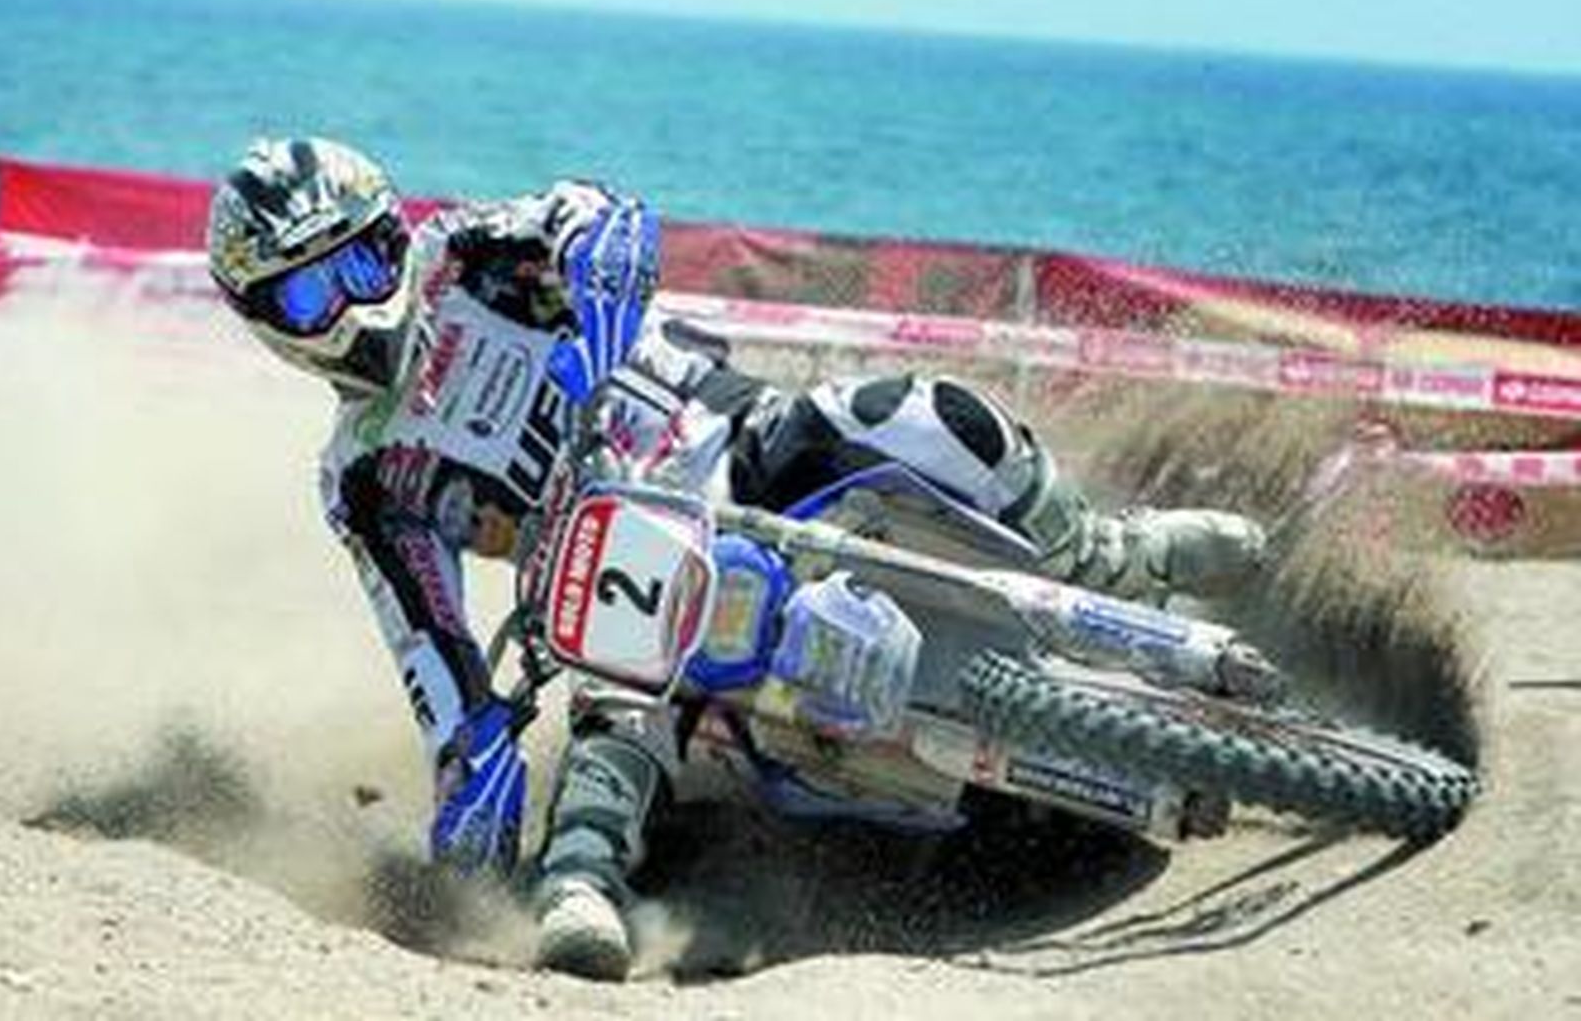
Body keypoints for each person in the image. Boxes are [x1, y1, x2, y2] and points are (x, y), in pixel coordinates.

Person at [206, 136, 1266, 981]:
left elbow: (599, 212)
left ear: (397, 230)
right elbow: (428, 645)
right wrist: (470, 765)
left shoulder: (471, 258)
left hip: (743, 450)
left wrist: (598, 307)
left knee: (920, 413)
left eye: (365, 258)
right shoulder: (366, 479)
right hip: (624, 575)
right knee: (614, 696)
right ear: (272, 325)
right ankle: (582, 888)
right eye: (311, 295)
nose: (356, 301)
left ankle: (1110, 554)